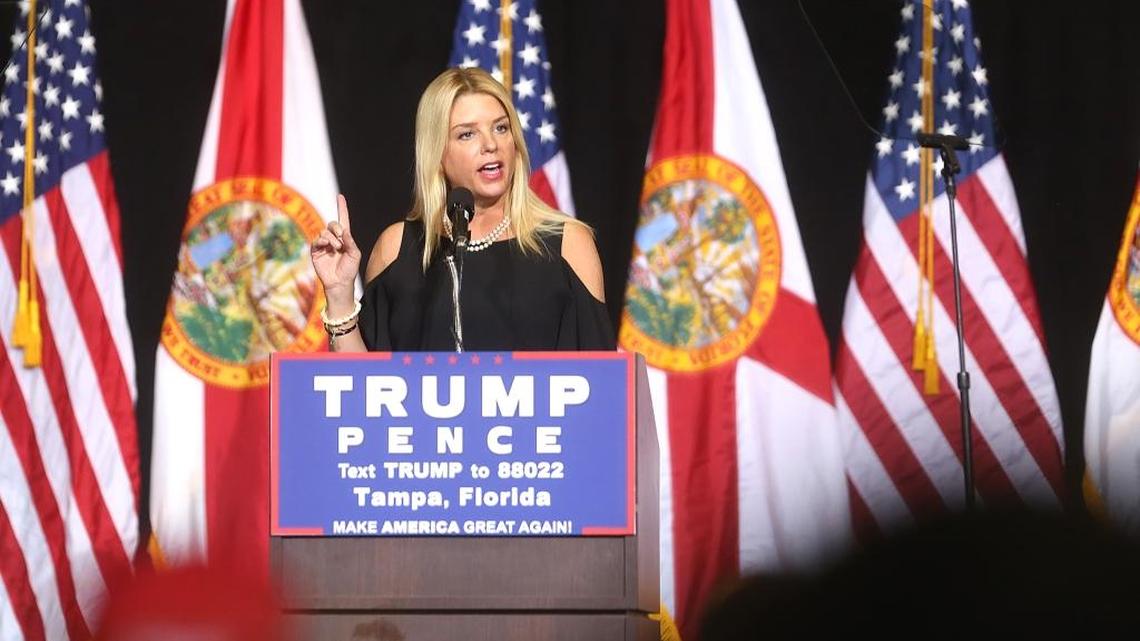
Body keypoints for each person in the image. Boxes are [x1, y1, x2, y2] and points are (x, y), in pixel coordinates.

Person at [311, 67, 614, 352]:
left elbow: (603, 385)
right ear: (438, 153)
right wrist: (339, 296)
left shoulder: (567, 244)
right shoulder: (396, 249)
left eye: (501, 128)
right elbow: (362, 390)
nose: (491, 144)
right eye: (467, 134)